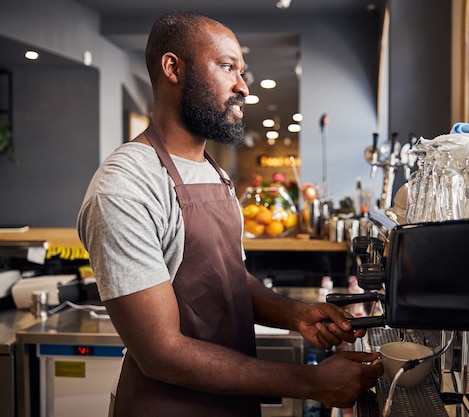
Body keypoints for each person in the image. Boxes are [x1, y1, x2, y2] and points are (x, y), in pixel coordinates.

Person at [77, 10, 382, 417]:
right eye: (227, 67)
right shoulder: (125, 185)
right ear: (173, 68)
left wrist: (297, 315)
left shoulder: (213, 172)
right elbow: (161, 353)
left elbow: (230, 277)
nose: (242, 86)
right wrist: (310, 382)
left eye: (243, 72)